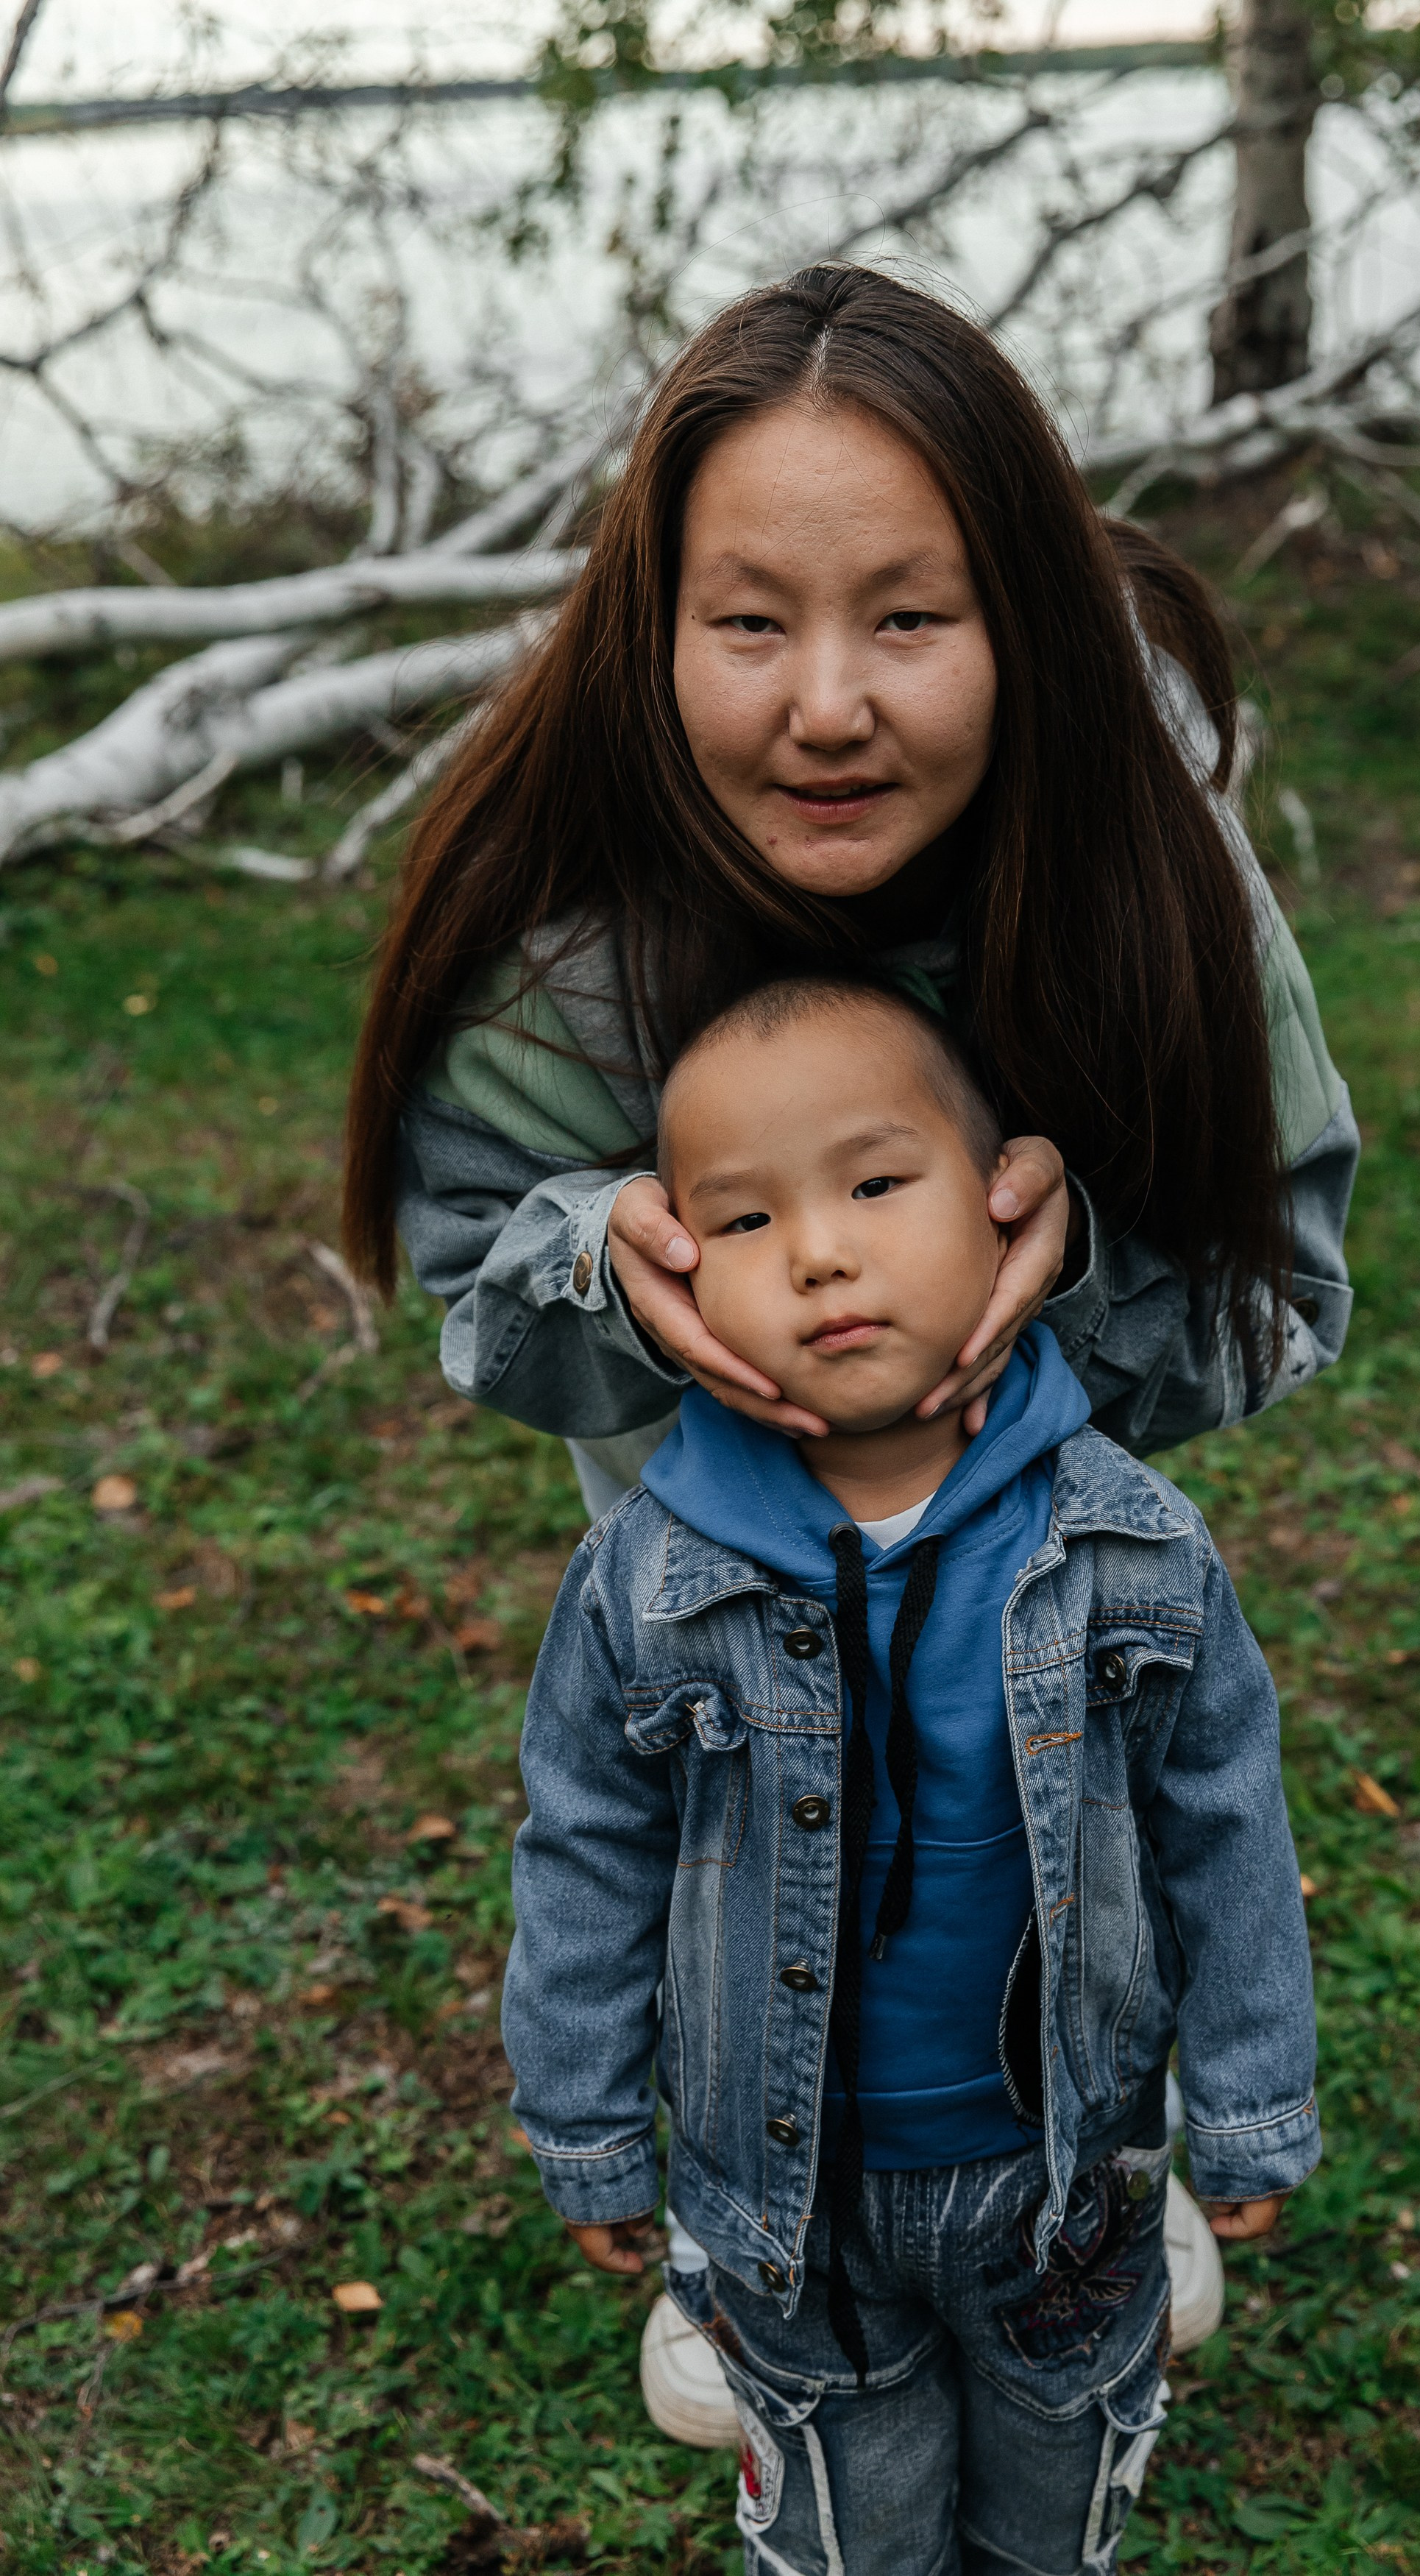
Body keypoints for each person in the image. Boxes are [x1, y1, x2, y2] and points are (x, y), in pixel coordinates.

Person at [342, 261, 1357, 2439]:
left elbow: (1287, 1287)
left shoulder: (1137, 877)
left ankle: (1084, 2188)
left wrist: (1078, 1256)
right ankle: (753, 2234)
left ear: (1022, 627)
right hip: (726, 1653)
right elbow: (463, 1296)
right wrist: (591, 1268)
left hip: (1049, 1622)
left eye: (908, 617)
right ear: (650, 630)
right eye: (747, 622)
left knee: (1059, 1866)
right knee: (753, 1912)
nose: (826, 703)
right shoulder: (565, 951)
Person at [503, 976, 1320, 2576]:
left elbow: (1224, 1830)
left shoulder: (1130, 1546)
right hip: (790, 2208)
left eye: (878, 1184)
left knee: (1051, 2499)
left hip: (1066, 2180)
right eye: (741, 1222)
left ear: (1011, 1200)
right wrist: (586, 2120)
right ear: (670, 1268)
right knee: (847, 2525)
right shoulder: (647, 1577)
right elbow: (586, 1851)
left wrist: (1250, 2099)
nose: (818, 1251)